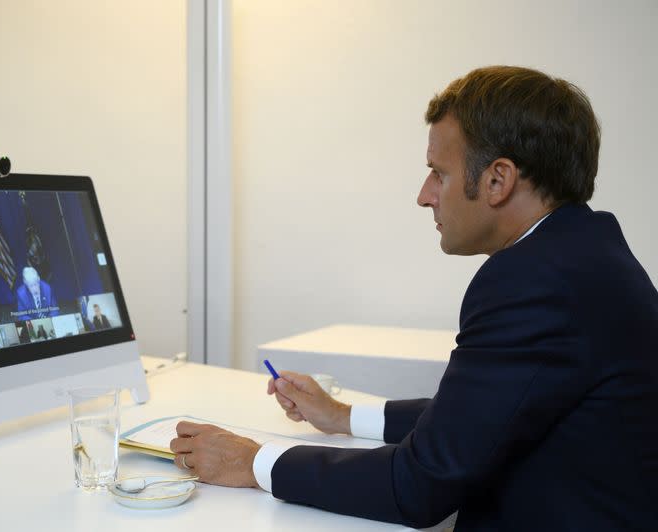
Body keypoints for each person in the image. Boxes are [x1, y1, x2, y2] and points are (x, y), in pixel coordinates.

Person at [168, 66, 658, 529]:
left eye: (438, 173)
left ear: (497, 180)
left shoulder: (536, 281)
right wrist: (341, 416)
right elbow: (477, 413)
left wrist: (254, 461)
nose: (424, 195)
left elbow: (419, 486)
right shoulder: (582, 253)